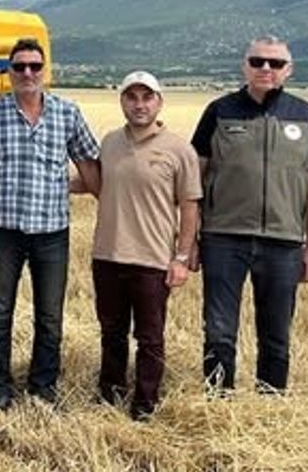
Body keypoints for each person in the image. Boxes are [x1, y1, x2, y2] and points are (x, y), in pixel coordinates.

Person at [193, 35, 308, 394]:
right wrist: (190, 239)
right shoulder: (219, 111)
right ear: (245, 66)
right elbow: (195, 178)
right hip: (223, 238)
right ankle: (217, 404)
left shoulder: (306, 115)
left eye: (275, 63)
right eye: (257, 61)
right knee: (219, 330)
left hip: (284, 242)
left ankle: (270, 406)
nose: (266, 68)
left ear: (289, 70)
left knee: (276, 335)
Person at [0, 37, 100, 408]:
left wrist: (108, 203)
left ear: (45, 70)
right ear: (9, 72)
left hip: (52, 233)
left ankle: (43, 388)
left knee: (49, 317)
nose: (28, 73)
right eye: (20, 66)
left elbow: (89, 166)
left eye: (35, 66)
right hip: (5, 231)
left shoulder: (67, 113)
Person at [90, 71, 200, 420]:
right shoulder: (109, 142)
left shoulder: (179, 149)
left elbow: (190, 206)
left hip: (152, 260)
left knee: (150, 338)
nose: (139, 105)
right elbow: (94, 181)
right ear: (122, 101)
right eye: (131, 97)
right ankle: (109, 396)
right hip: (107, 255)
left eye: (146, 97)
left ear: (159, 102)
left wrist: (181, 257)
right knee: (112, 333)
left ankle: (145, 405)